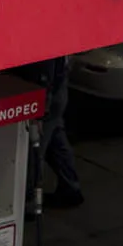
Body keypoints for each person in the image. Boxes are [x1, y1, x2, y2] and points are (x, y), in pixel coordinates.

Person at [38, 57, 85, 209]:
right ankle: (70, 186)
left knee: (36, 148)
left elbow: (47, 69)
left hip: (48, 91)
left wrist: (42, 108)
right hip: (58, 86)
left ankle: (30, 200)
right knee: (55, 140)